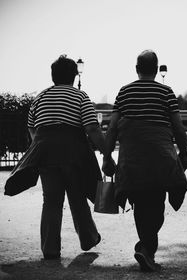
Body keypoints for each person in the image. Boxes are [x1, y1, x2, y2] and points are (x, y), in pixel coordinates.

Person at [5, 55, 106, 260]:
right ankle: (88, 238)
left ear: (53, 76)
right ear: (73, 75)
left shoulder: (40, 98)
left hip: (46, 154)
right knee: (77, 198)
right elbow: (92, 128)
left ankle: (50, 249)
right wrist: (107, 153)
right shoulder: (80, 96)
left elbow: (33, 129)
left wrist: (43, 146)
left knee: (51, 201)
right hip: (73, 154)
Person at [103, 50, 187, 272]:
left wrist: (107, 156)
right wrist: (184, 155)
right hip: (160, 159)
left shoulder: (124, 93)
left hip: (132, 160)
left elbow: (112, 128)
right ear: (156, 68)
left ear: (137, 69)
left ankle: (145, 247)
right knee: (157, 204)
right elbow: (178, 127)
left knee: (140, 203)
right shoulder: (166, 92)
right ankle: (146, 248)